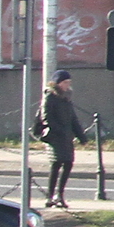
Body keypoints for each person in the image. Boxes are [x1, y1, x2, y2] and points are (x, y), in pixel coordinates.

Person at [33, 70, 87, 209]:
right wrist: (61, 131)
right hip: (54, 137)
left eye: (69, 82)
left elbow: (73, 118)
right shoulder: (49, 97)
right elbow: (47, 118)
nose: (67, 85)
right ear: (58, 83)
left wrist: (81, 135)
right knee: (56, 164)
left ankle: (59, 194)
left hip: (66, 136)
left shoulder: (66, 98)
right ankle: (51, 196)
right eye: (65, 82)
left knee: (68, 163)